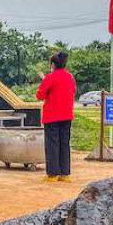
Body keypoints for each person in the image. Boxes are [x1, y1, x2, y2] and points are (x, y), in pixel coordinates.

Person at [36, 51, 77, 182]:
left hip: (52, 116)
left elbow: (40, 95)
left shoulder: (50, 77)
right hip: (67, 114)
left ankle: (53, 174)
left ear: (53, 64)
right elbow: (73, 91)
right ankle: (65, 173)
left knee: (52, 144)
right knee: (64, 143)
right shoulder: (70, 77)